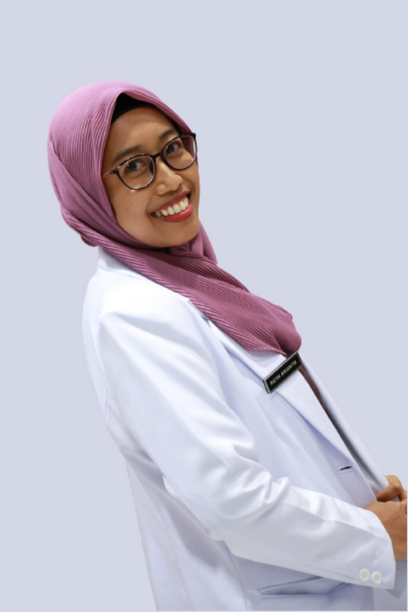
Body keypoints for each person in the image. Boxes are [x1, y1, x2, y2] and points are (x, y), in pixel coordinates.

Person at [47, 80, 407, 611]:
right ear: (89, 194)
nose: (172, 179)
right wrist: (374, 537)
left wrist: (357, 489)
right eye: (135, 166)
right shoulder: (134, 314)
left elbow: (272, 427)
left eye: (173, 148)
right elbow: (228, 498)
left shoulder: (191, 282)